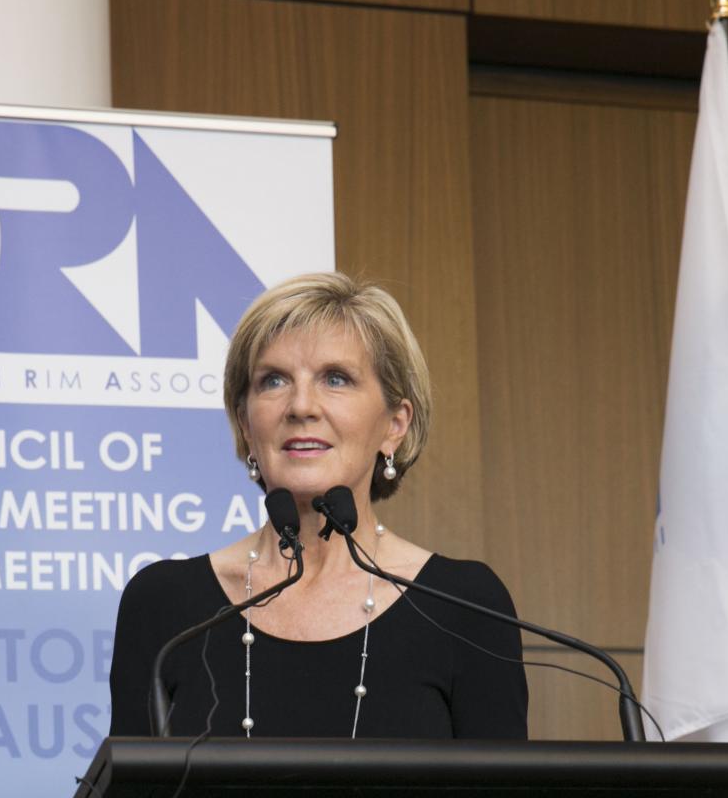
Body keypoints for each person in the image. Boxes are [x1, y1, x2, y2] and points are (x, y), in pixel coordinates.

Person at [108, 271, 528, 739]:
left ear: (395, 424)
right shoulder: (165, 606)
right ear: (247, 423)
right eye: (273, 381)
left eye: (335, 378)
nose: (301, 406)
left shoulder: (465, 606)